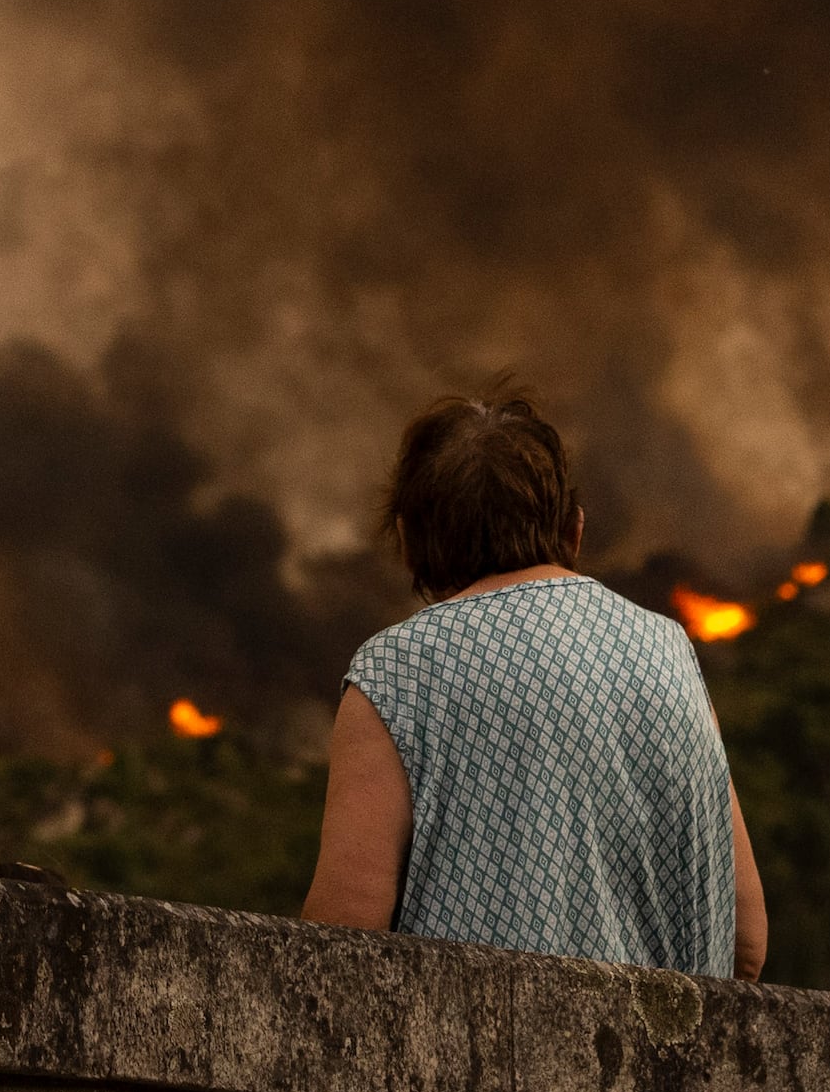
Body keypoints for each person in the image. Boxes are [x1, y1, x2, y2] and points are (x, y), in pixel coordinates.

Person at [298, 390, 769, 979]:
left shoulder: (396, 671)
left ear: (408, 540)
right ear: (574, 530)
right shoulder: (671, 653)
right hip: (665, 1038)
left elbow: (342, 941)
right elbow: (746, 942)